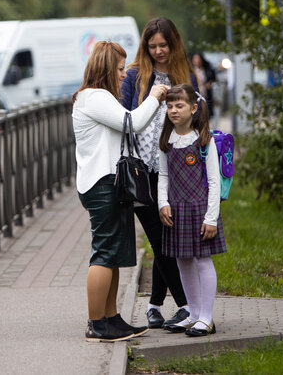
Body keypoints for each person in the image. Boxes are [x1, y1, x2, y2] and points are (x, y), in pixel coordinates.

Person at [72, 40, 168, 342]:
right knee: (103, 254)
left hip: (109, 183)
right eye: (118, 68)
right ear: (104, 69)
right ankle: (96, 324)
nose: (124, 74)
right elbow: (135, 123)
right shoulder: (93, 98)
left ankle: (111, 319)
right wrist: (153, 95)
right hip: (102, 184)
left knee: (112, 254)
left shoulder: (101, 98)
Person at [120, 17, 199, 329]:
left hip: (178, 169)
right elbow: (124, 118)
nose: (157, 51)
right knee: (160, 237)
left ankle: (154, 306)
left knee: (166, 238)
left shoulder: (185, 74)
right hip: (142, 169)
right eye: (152, 46)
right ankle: (187, 305)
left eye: (163, 45)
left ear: (173, 43)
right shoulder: (136, 75)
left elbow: (200, 114)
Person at [156, 84, 226, 336]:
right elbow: (163, 176)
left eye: (179, 106)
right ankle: (193, 314)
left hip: (199, 210)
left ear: (194, 108)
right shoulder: (166, 140)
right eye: (169, 106)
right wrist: (163, 203)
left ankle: (206, 317)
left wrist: (211, 218)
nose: (173, 110)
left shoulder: (204, 140)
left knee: (203, 261)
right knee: (182, 261)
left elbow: (214, 182)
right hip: (176, 210)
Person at [191, 52, 216, 118]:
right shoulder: (191, 71)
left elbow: (213, 79)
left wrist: (209, 83)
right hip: (195, 93)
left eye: (198, 59)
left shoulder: (207, 70)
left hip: (205, 93)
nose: (197, 61)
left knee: (206, 112)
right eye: (195, 59)